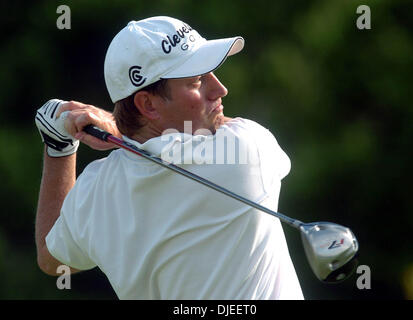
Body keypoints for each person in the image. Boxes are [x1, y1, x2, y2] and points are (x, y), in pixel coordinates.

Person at [34, 16, 304, 299]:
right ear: (148, 104)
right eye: (198, 81)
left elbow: (51, 258)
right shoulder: (244, 150)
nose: (219, 89)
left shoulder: (95, 191)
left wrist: (59, 148)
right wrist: (117, 128)